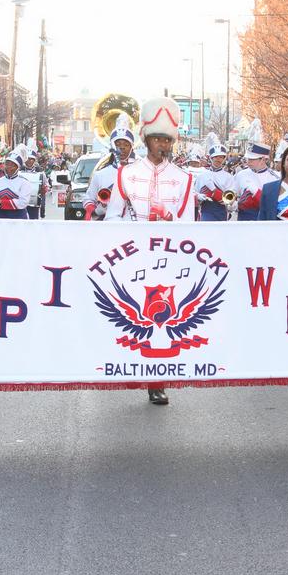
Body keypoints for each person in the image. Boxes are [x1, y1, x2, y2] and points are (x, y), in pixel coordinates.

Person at [104, 97, 193, 406]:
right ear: (146, 139)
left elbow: (190, 225)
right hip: (132, 257)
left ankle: (157, 381)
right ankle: (123, 369)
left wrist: (171, 222)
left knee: (161, 321)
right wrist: (129, 230)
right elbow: (112, 216)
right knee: (126, 315)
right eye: (157, 138)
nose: (161, 144)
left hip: (169, 260)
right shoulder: (125, 175)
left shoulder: (184, 179)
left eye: (166, 139)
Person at [83, 113, 136, 221]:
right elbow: (88, 200)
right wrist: (99, 209)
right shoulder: (100, 175)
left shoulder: (141, 172)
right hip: (107, 228)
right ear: (112, 146)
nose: (122, 148)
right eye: (118, 144)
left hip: (134, 227)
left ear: (131, 147)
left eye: (126, 145)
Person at [234, 133, 277, 221]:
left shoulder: (274, 178)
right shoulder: (241, 174)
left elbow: (274, 205)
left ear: (264, 159)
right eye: (248, 159)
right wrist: (233, 205)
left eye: (252, 159)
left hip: (263, 218)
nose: (248, 162)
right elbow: (235, 194)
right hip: (243, 218)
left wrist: (257, 192)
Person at [195, 132, 236, 222]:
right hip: (206, 211)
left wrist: (215, 191)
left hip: (222, 211)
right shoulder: (202, 176)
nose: (218, 159)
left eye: (221, 157)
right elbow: (195, 193)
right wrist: (198, 196)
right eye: (216, 157)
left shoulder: (229, 177)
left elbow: (231, 199)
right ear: (211, 158)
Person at [0, 148, 33, 219]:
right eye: (7, 164)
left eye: (13, 165)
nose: (9, 167)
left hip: (18, 218)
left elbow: (22, 203)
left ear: (18, 167)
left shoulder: (24, 183)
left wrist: (1, 201)